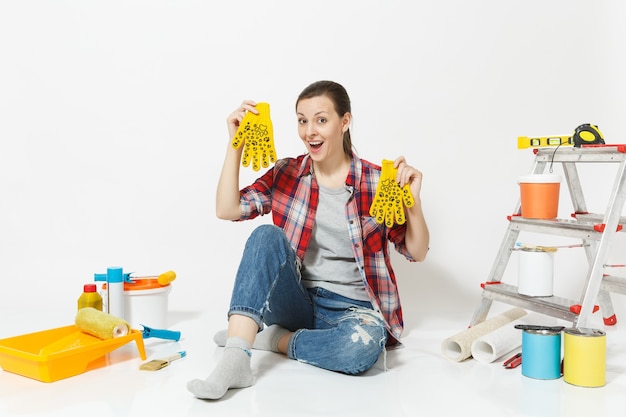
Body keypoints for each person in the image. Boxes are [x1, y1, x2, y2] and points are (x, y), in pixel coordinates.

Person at [187, 80, 429, 400]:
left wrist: (413, 202)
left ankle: (273, 340)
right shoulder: (287, 172)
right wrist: (236, 144)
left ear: (345, 122)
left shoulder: (375, 180)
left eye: (321, 120)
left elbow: (416, 251)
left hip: (353, 310)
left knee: (361, 350)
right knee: (265, 236)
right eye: (302, 120)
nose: (310, 131)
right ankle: (236, 358)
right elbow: (227, 209)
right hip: (296, 301)